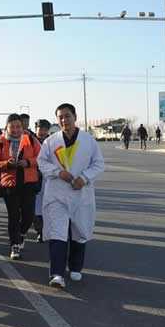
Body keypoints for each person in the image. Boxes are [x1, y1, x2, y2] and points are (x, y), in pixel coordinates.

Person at [38, 103, 104, 289]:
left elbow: (99, 164)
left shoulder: (88, 140)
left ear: (75, 117)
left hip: (80, 194)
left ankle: (75, 266)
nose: (64, 120)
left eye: (67, 116)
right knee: (57, 233)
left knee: (79, 231)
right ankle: (57, 273)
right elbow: (41, 162)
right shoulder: (50, 141)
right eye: (60, 117)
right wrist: (57, 172)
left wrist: (84, 178)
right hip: (57, 194)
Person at [0, 113, 41, 260]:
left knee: (29, 215)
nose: (15, 130)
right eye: (12, 127)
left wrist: (28, 162)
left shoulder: (31, 139)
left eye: (18, 126)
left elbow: (42, 157)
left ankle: (22, 233)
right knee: (13, 216)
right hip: (10, 185)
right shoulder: (1, 141)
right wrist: (7, 164)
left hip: (28, 183)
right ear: (6, 127)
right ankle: (15, 245)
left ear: (22, 126)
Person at [33, 119, 52, 243]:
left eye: (45, 129)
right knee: (36, 207)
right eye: (40, 129)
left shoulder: (52, 142)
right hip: (33, 178)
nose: (42, 132)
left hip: (47, 178)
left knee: (47, 206)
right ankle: (39, 230)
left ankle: (45, 231)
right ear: (36, 129)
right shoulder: (29, 141)